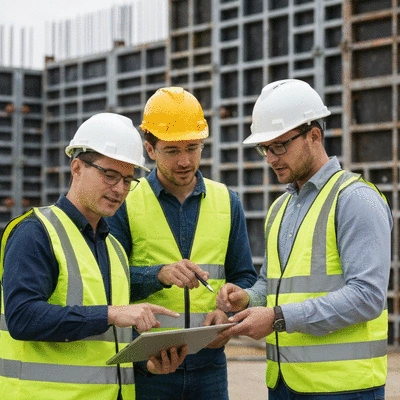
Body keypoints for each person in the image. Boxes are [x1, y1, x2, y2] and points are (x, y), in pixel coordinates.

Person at [216, 79, 393, 399]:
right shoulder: (280, 208)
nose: (270, 158)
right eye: (265, 148)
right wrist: (246, 298)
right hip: (285, 383)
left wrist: (278, 318)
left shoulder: (354, 200)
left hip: (344, 388)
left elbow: (367, 297)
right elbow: (271, 285)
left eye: (279, 145)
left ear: (314, 135)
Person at [0, 113, 187, 400]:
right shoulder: (36, 233)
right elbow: (22, 317)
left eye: (128, 180)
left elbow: (105, 344)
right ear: (76, 167)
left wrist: (147, 364)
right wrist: (112, 313)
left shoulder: (113, 248)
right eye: (110, 175)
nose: (119, 189)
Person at [107, 86, 257, 400]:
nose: (185, 161)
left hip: (210, 367)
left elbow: (244, 277)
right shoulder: (125, 203)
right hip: (148, 366)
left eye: (193, 147)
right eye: (172, 151)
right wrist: (157, 275)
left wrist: (228, 315)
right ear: (150, 149)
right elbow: (108, 285)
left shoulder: (227, 202)